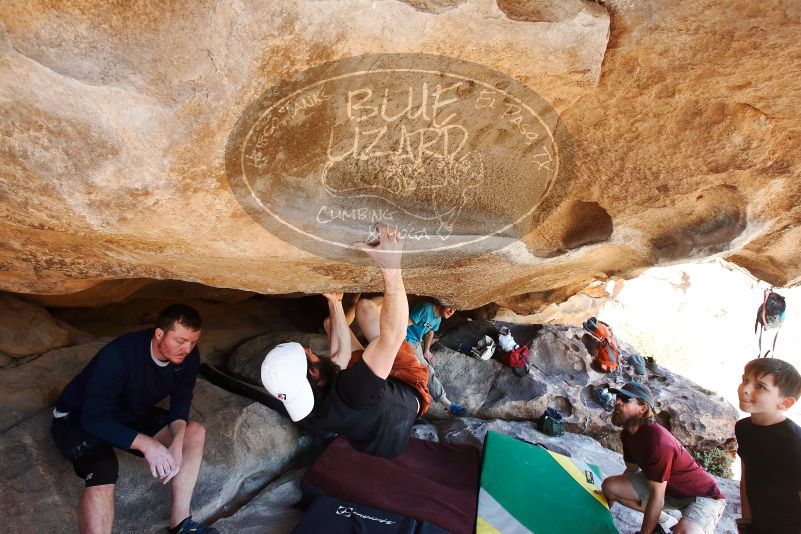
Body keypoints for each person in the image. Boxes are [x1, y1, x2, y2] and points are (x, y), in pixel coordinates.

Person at [261, 225, 431, 458]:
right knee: (366, 310)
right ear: (312, 373)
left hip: (380, 430)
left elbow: (337, 361)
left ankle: (340, 306)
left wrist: (334, 302)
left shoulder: (308, 408)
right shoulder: (354, 390)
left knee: (332, 325)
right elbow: (393, 336)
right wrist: (392, 267)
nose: (310, 349)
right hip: (408, 389)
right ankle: (396, 302)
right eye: (307, 353)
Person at [51, 304, 216, 534]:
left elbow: (181, 402)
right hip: (78, 417)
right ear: (159, 334)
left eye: (192, 342)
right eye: (180, 341)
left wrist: (177, 442)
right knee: (102, 469)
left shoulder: (188, 357)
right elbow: (94, 419)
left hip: (127, 412)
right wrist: (148, 445)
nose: (187, 349)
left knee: (193, 432)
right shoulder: (119, 355)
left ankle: (180, 525)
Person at [601, 382, 725, 534]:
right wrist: (603, 510)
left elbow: (657, 497)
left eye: (625, 399)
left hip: (701, 497)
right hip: (666, 490)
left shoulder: (658, 443)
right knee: (609, 487)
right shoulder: (627, 434)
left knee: (685, 532)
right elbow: (631, 470)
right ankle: (665, 519)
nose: (617, 402)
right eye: (618, 397)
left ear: (643, 409)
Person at [735, 358, 801, 534]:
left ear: (785, 403)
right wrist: (746, 523)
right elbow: (746, 476)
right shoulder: (743, 428)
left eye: (761, 386)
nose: (746, 390)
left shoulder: (794, 443)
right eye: (745, 380)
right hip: (758, 525)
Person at [404, 298, 466, 416]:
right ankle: (447, 404)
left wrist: (426, 350)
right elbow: (405, 323)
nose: (452, 311)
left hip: (415, 343)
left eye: (455, 309)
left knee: (427, 370)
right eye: (450, 306)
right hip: (405, 338)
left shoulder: (438, 319)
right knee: (427, 370)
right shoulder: (426, 308)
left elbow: (430, 332)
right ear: (443, 302)